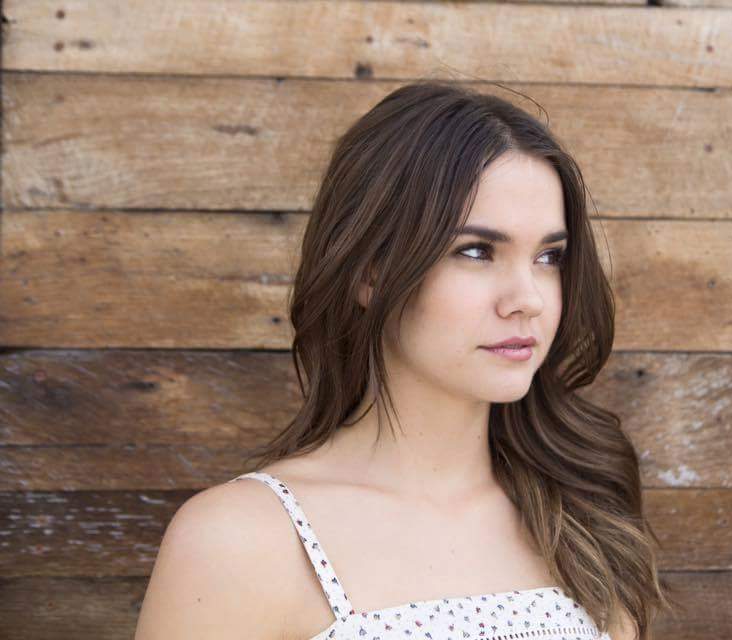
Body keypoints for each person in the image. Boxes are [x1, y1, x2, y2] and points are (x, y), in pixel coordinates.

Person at [134, 79, 678, 640]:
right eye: (476, 251)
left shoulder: (579, 517)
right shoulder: (242, 540)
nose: (528, 299)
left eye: (548, 257)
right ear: (369, 272)